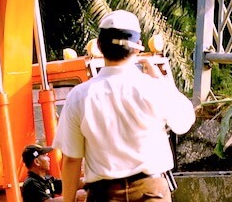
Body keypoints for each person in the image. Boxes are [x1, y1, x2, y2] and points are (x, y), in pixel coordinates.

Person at [56, 10, 196, 202]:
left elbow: (71, 159)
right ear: (138, 47)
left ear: (99, 45)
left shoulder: (79, 96)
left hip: (104, 195)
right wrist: (163, 81)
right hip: (151, 192)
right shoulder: (154, 87)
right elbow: (184, 121)